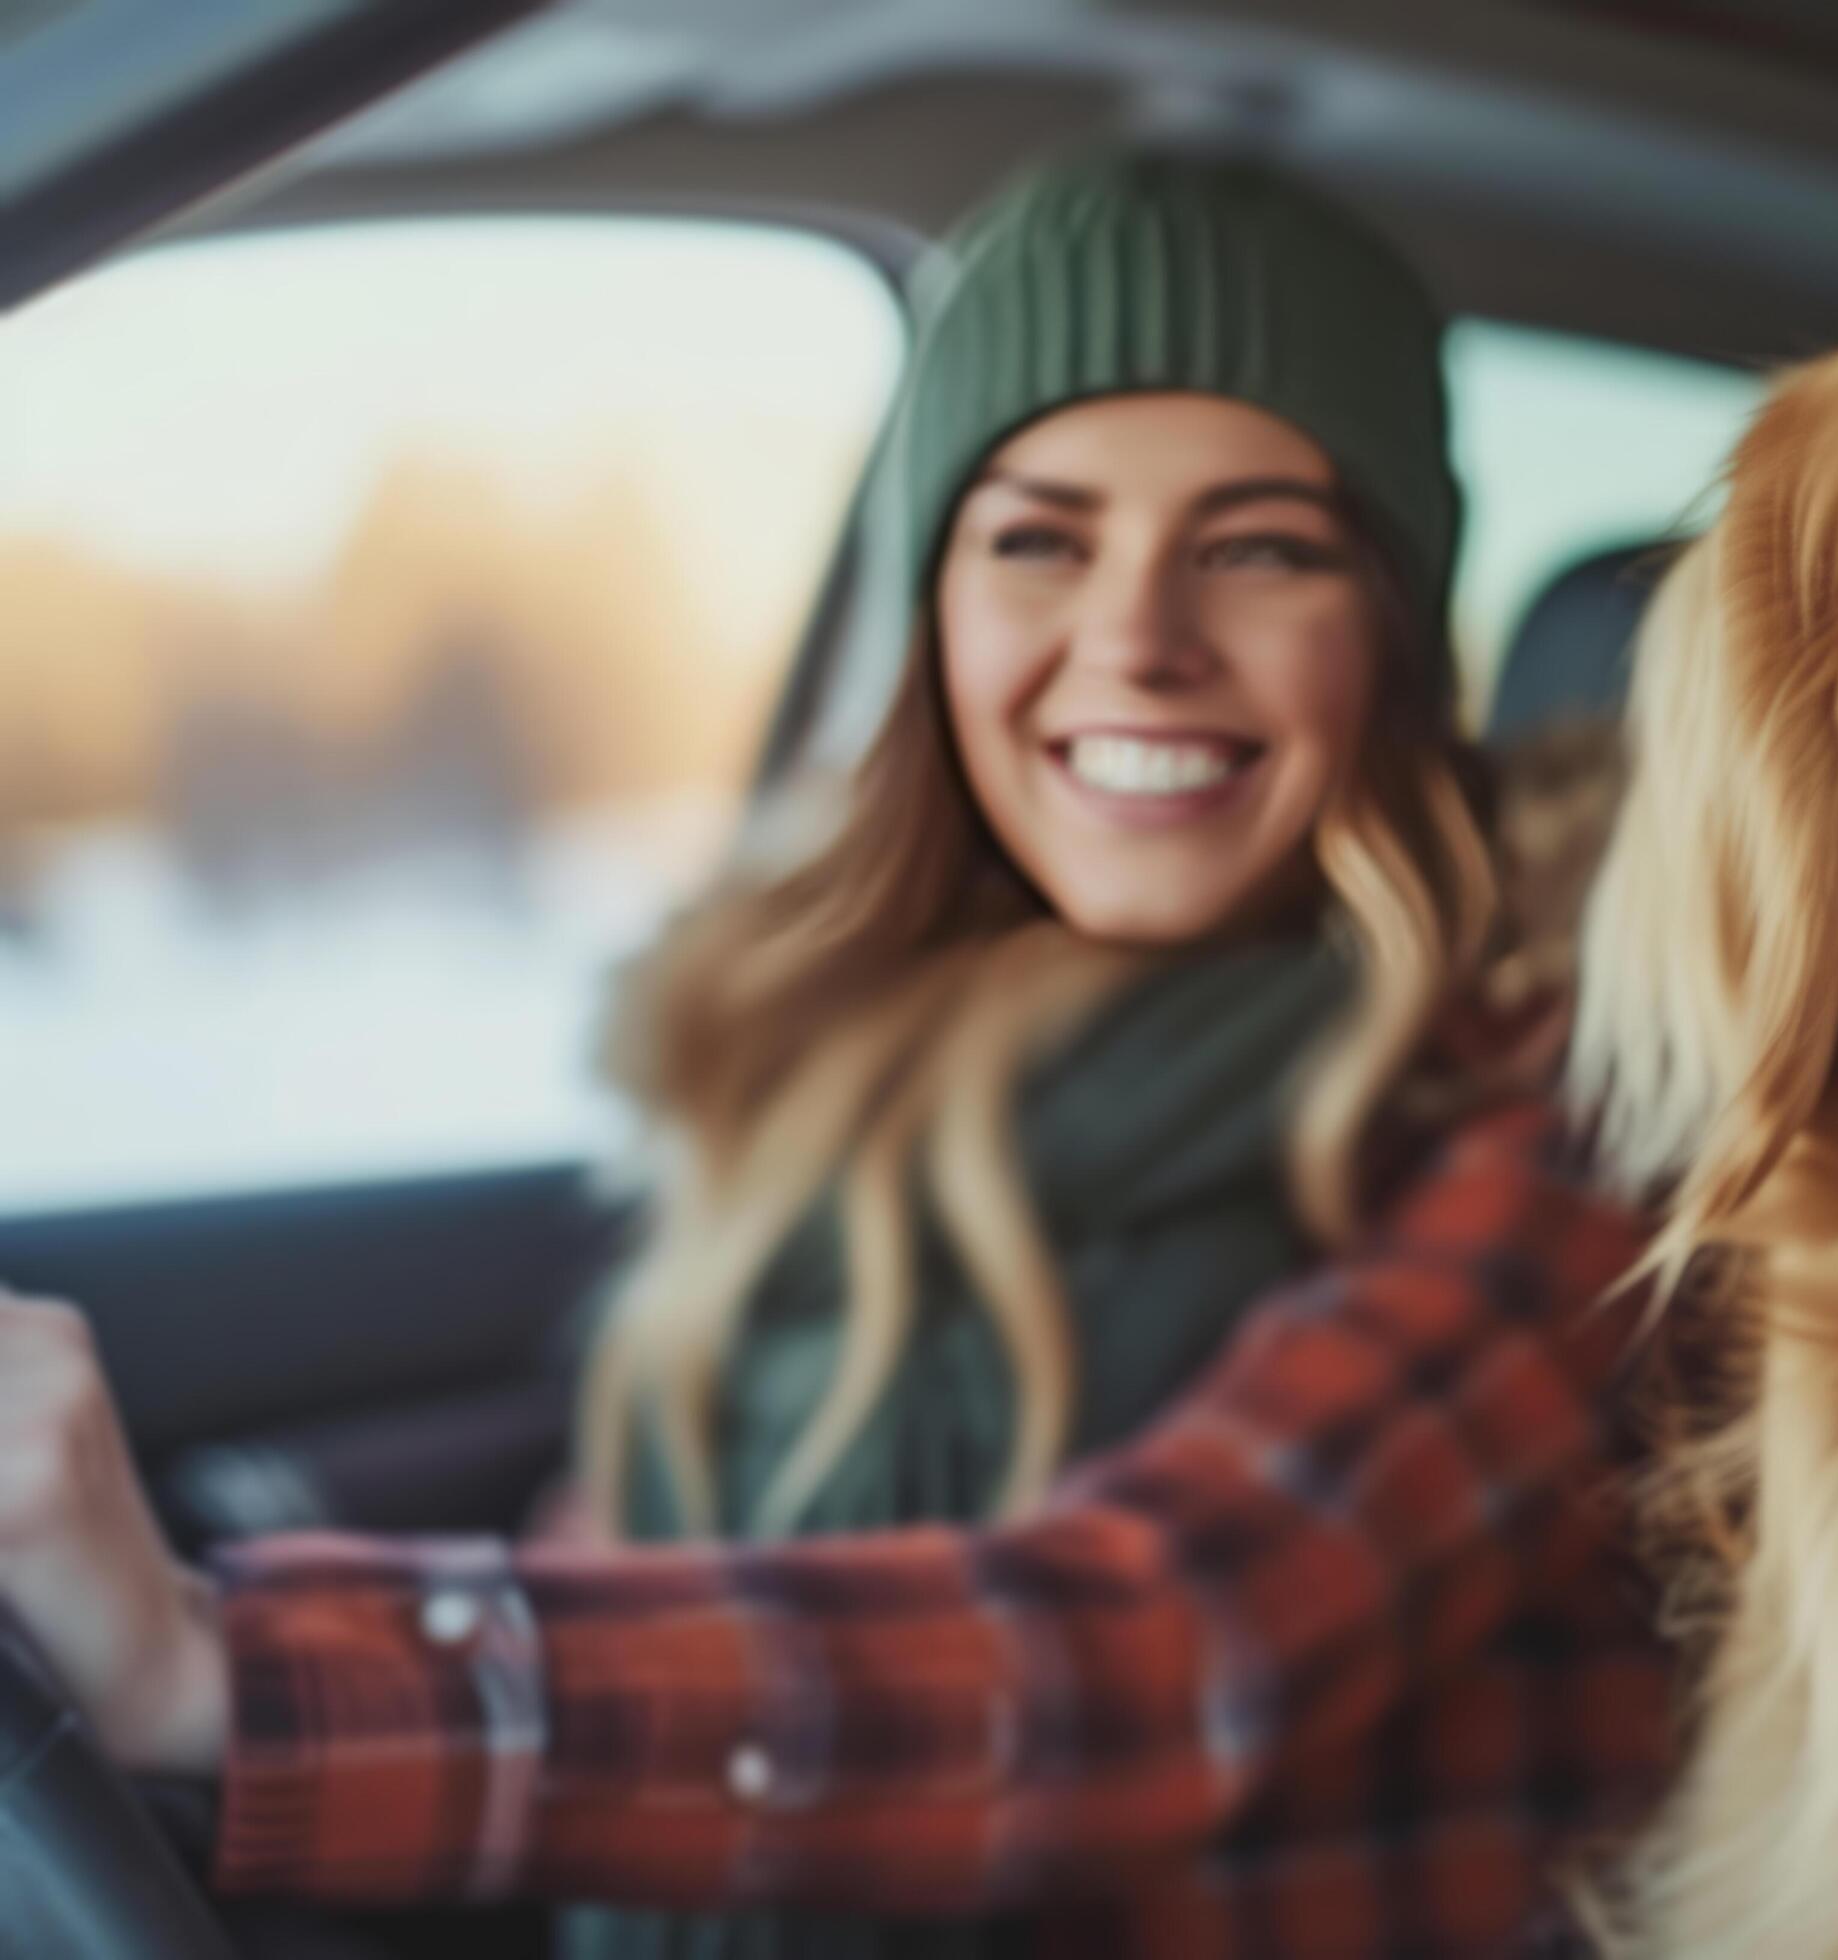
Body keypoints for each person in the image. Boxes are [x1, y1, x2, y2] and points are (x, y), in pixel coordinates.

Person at [0, 149, 1669, 1958]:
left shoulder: (1575, 1090)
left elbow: (1148, 1664)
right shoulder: (820, 1062)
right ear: (934, 600)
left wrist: (202, 1661)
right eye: (1037, 538)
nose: (1134, 642)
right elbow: (627, 1550)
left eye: (1259, 547)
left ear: (1398, 623)